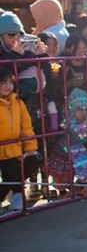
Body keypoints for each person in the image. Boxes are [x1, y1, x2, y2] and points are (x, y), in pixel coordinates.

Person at [0, 66, 42, 214]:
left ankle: (18, 197)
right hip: (2, 147)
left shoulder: (18, 102)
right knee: (11, 176)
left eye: (10, 82)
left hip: (14, 147)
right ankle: (16, 197)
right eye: (3, 83)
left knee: (24, 167)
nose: (7, 86)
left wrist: (31, 148)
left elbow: (26, 126)